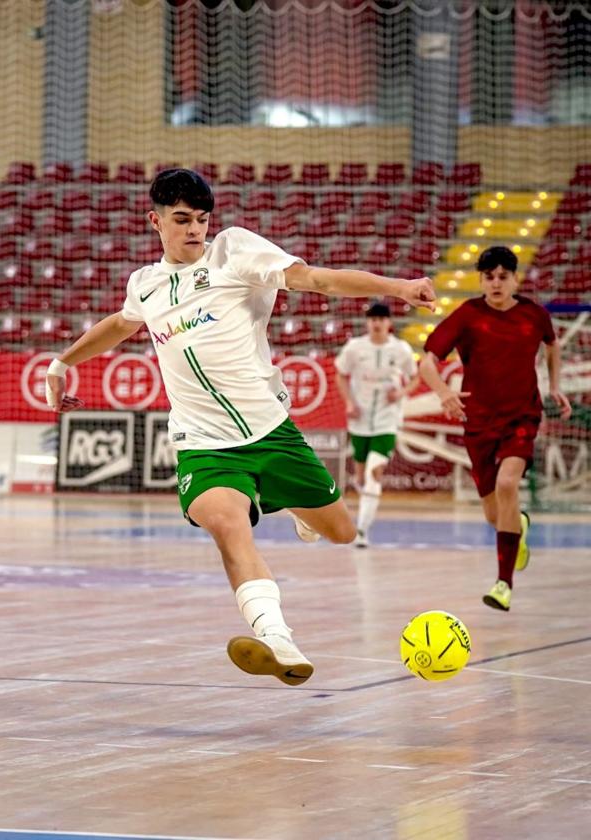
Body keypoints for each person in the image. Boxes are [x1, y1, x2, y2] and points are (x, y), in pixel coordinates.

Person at [45, 168, 435, 686]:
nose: (194, 231)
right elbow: (120, 324)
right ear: (154, 220)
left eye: (201, 220)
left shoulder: (234, 251)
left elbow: (314, 279)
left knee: (341, 532)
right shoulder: (146, 284)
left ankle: (297, 509)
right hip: (203, 445)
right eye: (181, 220)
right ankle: (277, 637)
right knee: (227, 526)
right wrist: (62, 362)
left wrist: (399, 287)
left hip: (270, 431)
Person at [419, 245, 571, 612]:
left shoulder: (534, 315)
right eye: (490, 276)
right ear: (481, 279)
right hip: (479, 423)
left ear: (515, 278)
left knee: (507, 484)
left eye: (504, 276)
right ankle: (517, 525)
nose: (497, 282)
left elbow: (552, 345)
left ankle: (504, 583)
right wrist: (443, 393)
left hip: (521, 416)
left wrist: (554, 385)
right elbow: (427, 361)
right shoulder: (468, 315)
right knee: (494, 513)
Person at [334, 302, 418, 547]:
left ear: (389, 323)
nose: (377, 323)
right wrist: (349, 402)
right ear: (367, 322)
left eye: (381, 319)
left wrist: (400, 393)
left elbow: (415, 377)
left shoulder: (401, 349)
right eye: (373, 319)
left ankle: (361, 530)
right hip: (359, 421)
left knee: (374, 473)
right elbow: (340, 373)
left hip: (387, 420)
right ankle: (365, 504)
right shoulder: (355, 348)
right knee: (361, 477)